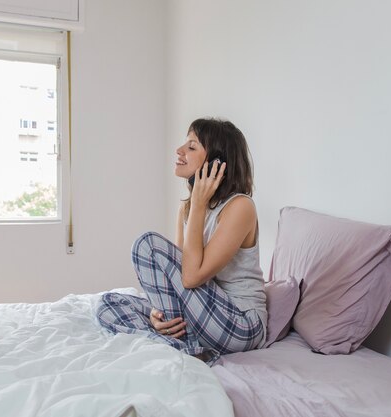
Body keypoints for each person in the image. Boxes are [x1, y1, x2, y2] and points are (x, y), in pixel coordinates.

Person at [96, 118, 266, 364]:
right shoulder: (187, 209)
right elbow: (176, 278)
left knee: (148, 245)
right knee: (108, 304)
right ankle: (178, 341)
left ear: (216, 163)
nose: (179, 151)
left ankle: (177, 345)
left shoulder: (240, 207)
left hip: (240, 323)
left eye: (192, 146)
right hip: (201, 316)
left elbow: (191, 277)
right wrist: (157, 313)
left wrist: (198, 204)